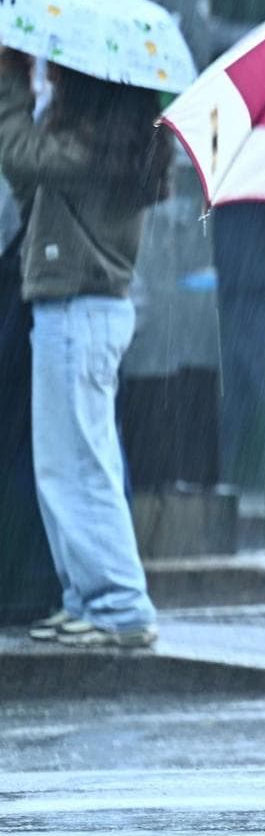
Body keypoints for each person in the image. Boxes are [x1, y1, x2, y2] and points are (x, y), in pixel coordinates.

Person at [1, 50, 170, 650]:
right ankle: (87, 598)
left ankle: (118, 602)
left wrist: (9, 82)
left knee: (81, 466)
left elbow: (19, 150)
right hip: (76, 310)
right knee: (66, 464)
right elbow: (33, 186)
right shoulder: (106, 145)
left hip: (78, 311)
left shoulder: (97, 145)